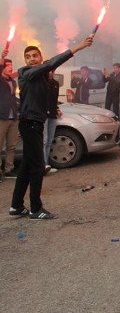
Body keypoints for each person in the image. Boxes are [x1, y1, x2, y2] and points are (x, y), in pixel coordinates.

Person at [10, 36, 93, 219]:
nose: (32, 59)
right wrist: (78, 47)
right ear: (25, 61)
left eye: (35, 56)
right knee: (38, 166)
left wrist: (52, 107)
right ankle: (35, 209)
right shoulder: (25, 73)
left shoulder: (41, 78)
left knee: (26, 165)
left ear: (39, 57)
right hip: (30, 124)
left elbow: (46, 86)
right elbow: (51, 63)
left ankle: (16, 206)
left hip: (34, 123)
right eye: (28, 57)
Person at [0, 55, 19, 180]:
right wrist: (2, 58)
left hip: (13, 118)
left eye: (12, 66)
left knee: (11, 146)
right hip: (2, 117)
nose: (11, 68)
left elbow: (14, 97)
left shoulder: (13, 81)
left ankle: (9, 169)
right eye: (8, 66)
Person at [43, 70, 61, 174]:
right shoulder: (41, 83)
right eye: (48, 70)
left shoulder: (55, 83)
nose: (50, 72)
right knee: (44, 141)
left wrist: (57, 108)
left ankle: (47, 164)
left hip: (53, 115)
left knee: (49, 140)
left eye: (52, 71)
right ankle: (43, 164)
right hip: (43, 115)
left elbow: (54, 99)